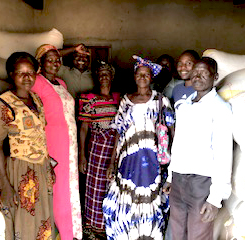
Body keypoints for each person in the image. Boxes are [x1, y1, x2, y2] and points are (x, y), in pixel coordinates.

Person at [103, 55, 175, 240]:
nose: (142, 78)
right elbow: (119, 133)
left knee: (152, 198)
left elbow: (173, 132)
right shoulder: (125, 101)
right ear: (134, 76)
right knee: (127, 196)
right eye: (139, 74)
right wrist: (112, 162)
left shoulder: (161, 101)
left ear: (152, 78)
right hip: (128, 161)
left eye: (146, 75)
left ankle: (150, 234)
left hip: (153, 162)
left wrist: (173, 162)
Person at [0, 52, 55, 240]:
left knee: (43, 223)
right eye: (20, 72)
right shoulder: (3, 104)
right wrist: (6, 185)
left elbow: (40, 136)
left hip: (41, 169)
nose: (27, 77)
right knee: (24, 226)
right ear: (11, 74)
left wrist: (48, 165)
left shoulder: (36, 100)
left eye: (30, 72)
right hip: (19, 171)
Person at [163, 57, 233, 240]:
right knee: (178, 233)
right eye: (195, 73)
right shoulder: (185, 107)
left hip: (201, 184)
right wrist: (171, 176)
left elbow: (224, 154)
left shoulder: (220, 109)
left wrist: (215, 198)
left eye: (204, 73)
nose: (197, 77)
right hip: (178, 180)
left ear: (215, 77)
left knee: (198, 235)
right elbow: (177, 145)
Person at [32, 44, 83, 240]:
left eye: (57, 60)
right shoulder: (36, 81)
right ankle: (64, 234)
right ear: (40, 63)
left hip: (70, 144)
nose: (55, 63)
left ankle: (72, 233)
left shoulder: (61, 83)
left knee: (70, 187)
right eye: (50, 60)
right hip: (53, 144)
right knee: (60, 189)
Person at [78, 62, 120, 240]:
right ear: (96, 77)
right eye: (100, 74)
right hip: (95, 150)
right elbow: (83, 129)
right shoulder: (88, 99)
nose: (103, 76)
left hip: (115, 150)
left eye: (107, 73)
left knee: (112, 187)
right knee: (94, 188)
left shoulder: (119, 98)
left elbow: (120, 128)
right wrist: (82, 155)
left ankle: (109, 224)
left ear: (112, 77)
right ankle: (94, 226)